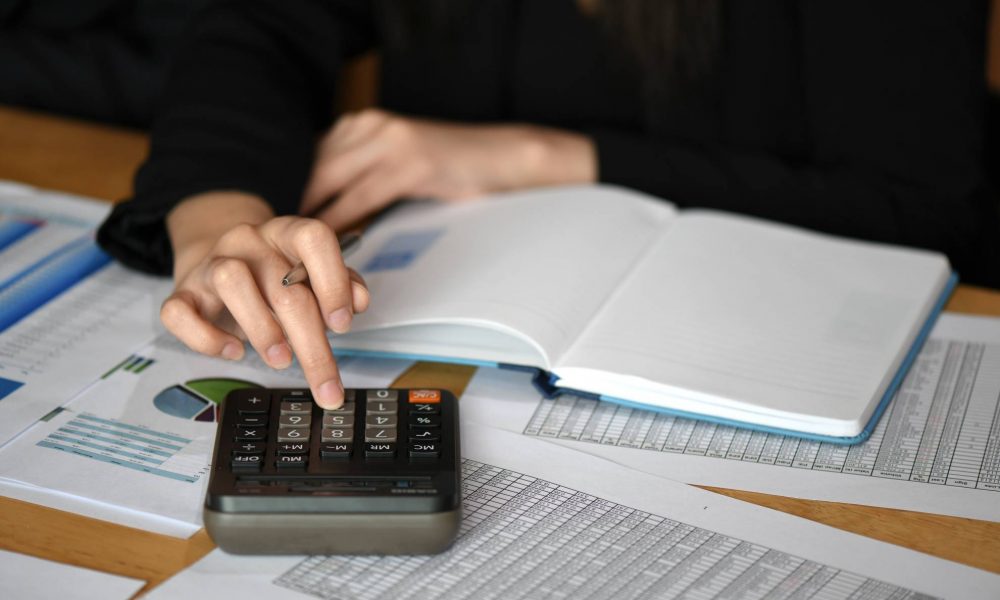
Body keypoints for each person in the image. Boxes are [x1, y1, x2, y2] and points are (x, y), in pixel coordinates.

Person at [97, 0, 1000, 409]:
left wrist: (545, 157)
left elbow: (928, 205)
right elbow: (254, 27)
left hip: (787, 359)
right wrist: (214, 220)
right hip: (470, 364)